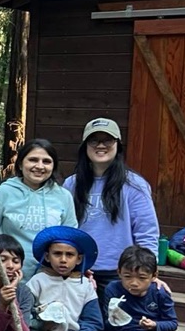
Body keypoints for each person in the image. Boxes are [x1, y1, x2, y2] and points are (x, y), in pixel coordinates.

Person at [63, 118, 159, 297]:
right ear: (85, 146)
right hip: (79, 270)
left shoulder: (134, 185)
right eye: (94, 140)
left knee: (118, 324)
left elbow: (147, 231)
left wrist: (148, 271)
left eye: (107, 140)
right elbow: (65, 229)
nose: (100, 146)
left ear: (118, 145)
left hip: (121, 273)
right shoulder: (71, 184)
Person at [0, 139, 77, 279]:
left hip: (50, 277)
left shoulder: (63, 196)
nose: (39, 166)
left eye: (46, 161)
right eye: (33, 160)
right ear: (20, 163)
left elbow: (69, 238)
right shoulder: (2, 193)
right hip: (8, 276)